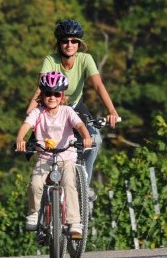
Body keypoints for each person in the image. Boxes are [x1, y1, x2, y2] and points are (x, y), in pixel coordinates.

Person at [26, 19, 120, 189]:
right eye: (65, 41)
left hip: (75, 107)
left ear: (79, 43)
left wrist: (111, 111)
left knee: (95, 140)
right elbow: (41, 88)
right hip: (53, 108)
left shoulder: (85, 59)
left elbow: (98, 86)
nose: (69, 45)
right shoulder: (50, 60)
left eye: (74, 41)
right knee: (44, 146)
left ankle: (84, 185)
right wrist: (31, 110)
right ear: (58, 43)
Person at [15, 71, 92, 238]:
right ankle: (34, 213)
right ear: (42, 95)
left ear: (62, 96)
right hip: (44, 159)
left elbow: (79, 125)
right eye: (48, 93)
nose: (52, 97)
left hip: (67, 158)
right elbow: (26, 125)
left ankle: (74, 222)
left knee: (69, 184)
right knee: (35, 184)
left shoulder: (67, 111)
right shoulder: (38, 112)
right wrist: (20, 139)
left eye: (56, 94)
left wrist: (86, 137)